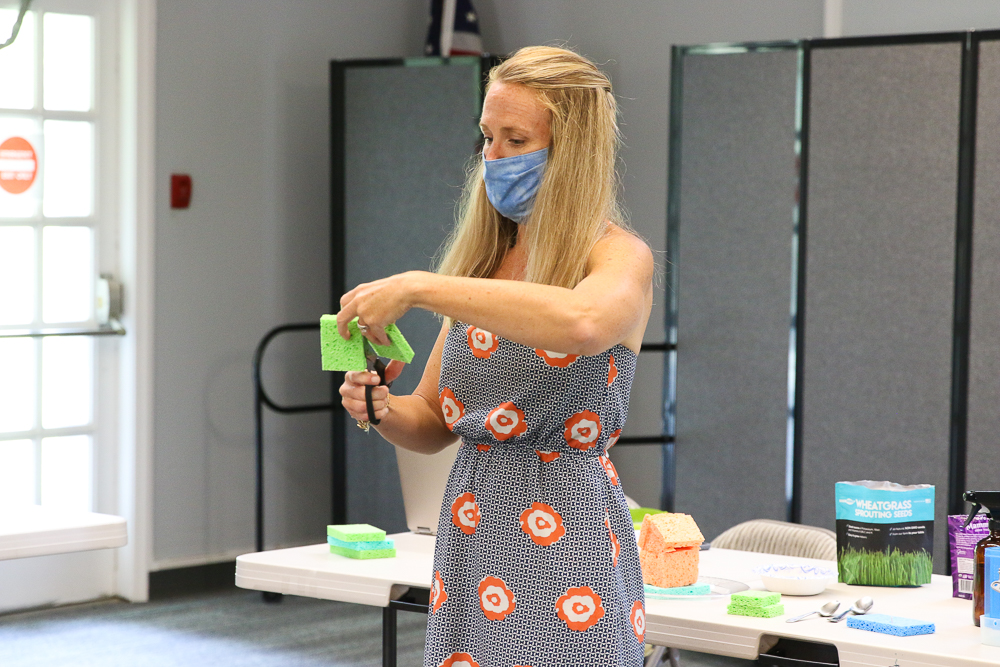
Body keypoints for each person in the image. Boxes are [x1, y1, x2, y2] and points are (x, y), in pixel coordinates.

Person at [337, 45, 653, 667]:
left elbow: (582, 324)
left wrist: (418, 286)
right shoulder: (485, 264)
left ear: (573, 152)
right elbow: (432, 422)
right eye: (487, 136)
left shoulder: (618, 258)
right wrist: (381, 408)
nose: (494, 157)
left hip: (569, 541)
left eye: (515, 139)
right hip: (472, 531)